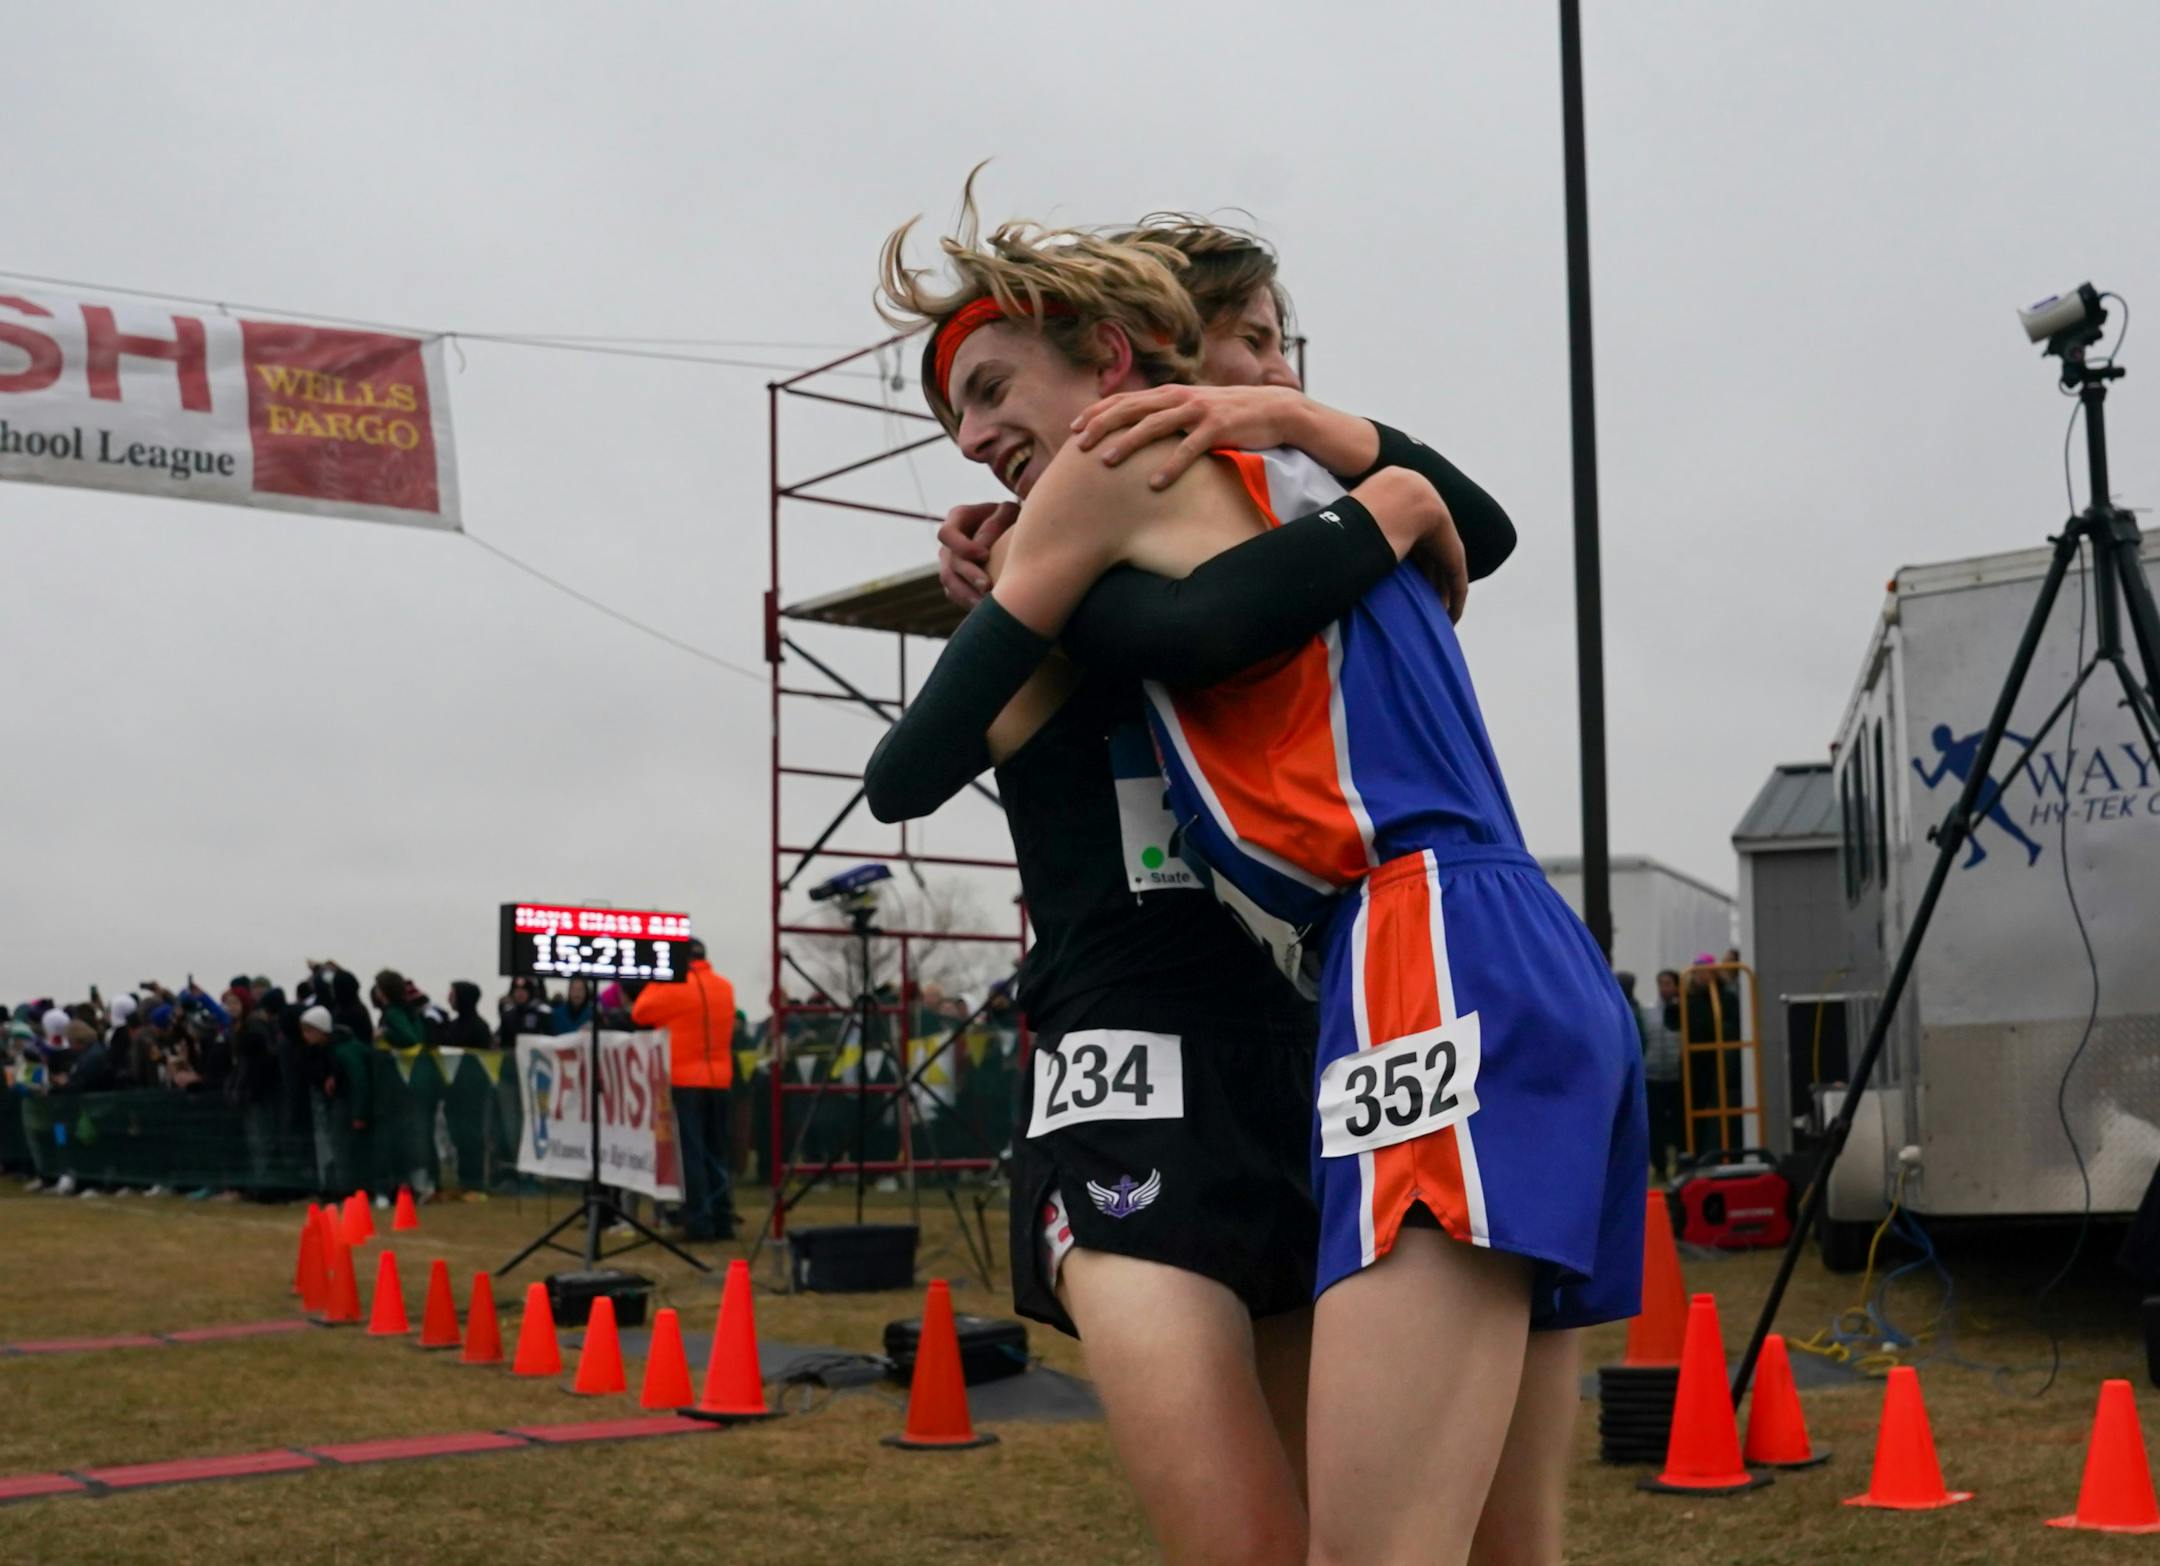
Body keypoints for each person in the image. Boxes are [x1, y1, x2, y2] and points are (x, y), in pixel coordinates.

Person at [870, 197, 1642, 1566]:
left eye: (1279, 347)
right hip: (1278, 1014)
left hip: (1398, 968)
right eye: (1251, 346)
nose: (1270, 373)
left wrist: (1360, 476)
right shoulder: (1222, 525)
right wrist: (1385, 492)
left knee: (1407, 1545)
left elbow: (1412, 547)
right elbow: (1183, 628)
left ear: (1115, 356)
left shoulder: (1273, 508)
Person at [632, 938, 738, 1242]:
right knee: (717, 1152)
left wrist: (657, 979)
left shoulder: (671, 988)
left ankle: (700, 1222)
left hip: (685, 1080)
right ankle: (723, 1218)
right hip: (720, 1079)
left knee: (691, 1154)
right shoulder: (725, 987)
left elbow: (640, 1012)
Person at [303, 1004, 373, 1199]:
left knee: (342, 1146)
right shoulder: (333, 1049)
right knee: (339, 1146)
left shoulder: (344, 1050)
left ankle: (347, 1190)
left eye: (309, 1031)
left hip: (349, 1105)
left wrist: (359, 1113)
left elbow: (359, 1081)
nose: (305, 1036)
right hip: (344, 1102)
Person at [1645, 970, 1685, 1172]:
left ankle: (1681, 1162)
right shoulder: (1649, 1012)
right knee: (1656, 1125)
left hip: (1677, 1077)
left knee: (1680, 1124)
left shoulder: (1684, 1011)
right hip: (1653, 1076)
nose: (1664, 988)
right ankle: (1659, 1165)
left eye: (1668, 983)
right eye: (1661, 983)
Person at [371, 969, 427, 1049]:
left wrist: (384, 1033)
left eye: (378, 986)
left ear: (383, 991)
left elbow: (409, 1038)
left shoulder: (393, 1013)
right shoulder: (409, 1009)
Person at [439, 981, 494, 1050]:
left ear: (463, 997)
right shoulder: (452, 1025)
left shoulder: (479, 1028)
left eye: (452, 996)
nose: (448, 999)